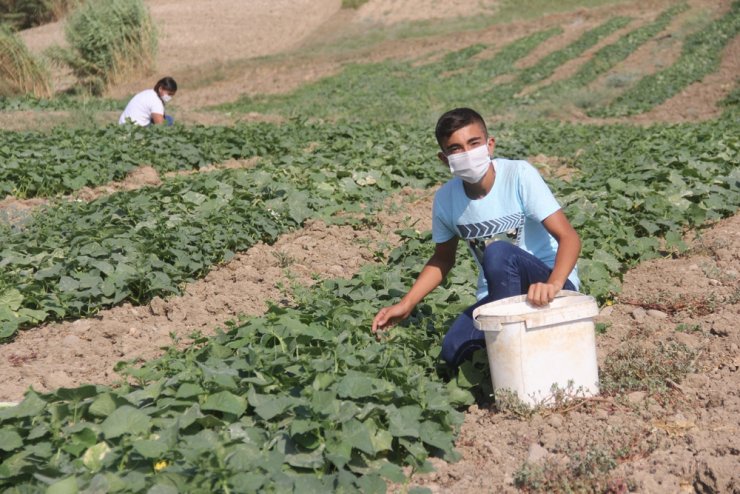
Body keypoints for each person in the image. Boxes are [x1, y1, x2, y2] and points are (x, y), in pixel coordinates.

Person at [372, 107, 581, 368]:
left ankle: (515, 362)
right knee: (452, 353)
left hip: (551, 286)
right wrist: (406, 304)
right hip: (497, 296)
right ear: (444, 158)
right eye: (456, 149)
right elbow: (442, 259)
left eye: (474, 143)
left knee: (498, 252)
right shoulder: (446, 199)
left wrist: (554, 283)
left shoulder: (518, 175)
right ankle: (506, 356)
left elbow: (569, 237)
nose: (467, 153)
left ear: (489, 145)